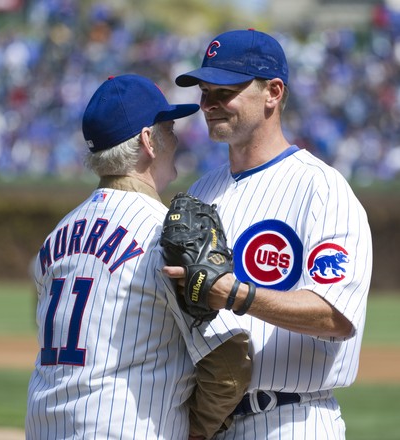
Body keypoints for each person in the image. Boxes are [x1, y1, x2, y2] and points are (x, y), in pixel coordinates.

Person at [163, 29, 373, 439]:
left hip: (290, 420)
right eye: (205, 92)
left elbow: (336, 315)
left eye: (224, 91)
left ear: (273, 92)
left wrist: (236, 293)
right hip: (208, 421)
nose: (208, 104)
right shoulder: (200, 193)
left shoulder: (321, 188)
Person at [25, 74, 251, 440]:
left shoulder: (56, 237)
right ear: (148, 140)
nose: (175, 138)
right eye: (169, 126)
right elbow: (228, 360)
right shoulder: (165, 233)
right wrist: (195, 430)